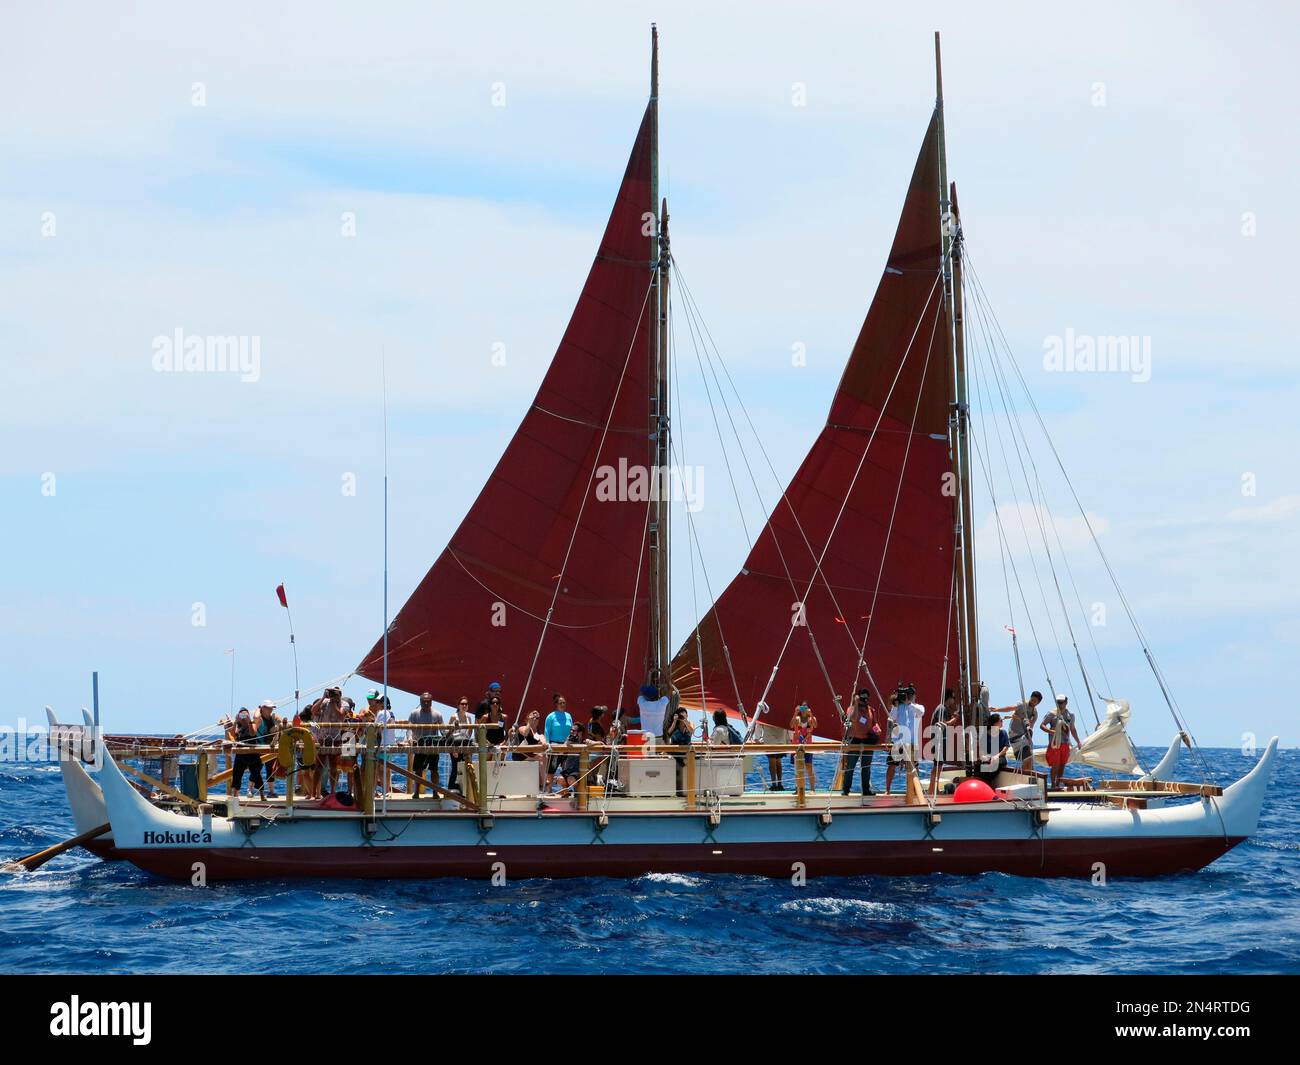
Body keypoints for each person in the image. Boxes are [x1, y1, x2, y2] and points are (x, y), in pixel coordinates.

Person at [885, 683, 925, 796]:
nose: (908, 696)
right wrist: (897, 704)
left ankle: (915, 791)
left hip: (911, 742)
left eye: (911, 695)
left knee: (914, 768)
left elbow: (921, 712)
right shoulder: (898, 707)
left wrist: (909, 703)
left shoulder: (918, 707)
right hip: (898, 741)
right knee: (892, 765)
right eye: (907, 695)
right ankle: (887, 790)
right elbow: (891, 717)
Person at [839, 688, 880, 797]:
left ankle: (866, 790)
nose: (864, 700)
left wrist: (877, 729)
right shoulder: (852, 709)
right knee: (850, 767)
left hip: (867, 741)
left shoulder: (871, 710)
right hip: (855, 740)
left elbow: (874, 724)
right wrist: (856, 704)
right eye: (862, 697)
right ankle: (846, 789)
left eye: (866, 698)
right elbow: (853, 718)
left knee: (866, 767)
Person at [1041, 694, 1083, 790]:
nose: (1060, 704)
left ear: (1066, 702)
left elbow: (1072, 729)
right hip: (1055, 743)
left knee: (1062, 764)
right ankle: (1052, 784)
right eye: (1058, 702)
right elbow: (1042, 725)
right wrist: (1050, 731)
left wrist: (1078, 741)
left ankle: (1058, 782)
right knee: (1055, 764)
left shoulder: (1070, 715)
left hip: (1065, 743)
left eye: (1061, 702)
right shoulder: (1051, 713)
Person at [408, 692, 444, 798]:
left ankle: (435, 792)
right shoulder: (414, 713)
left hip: (433, 746)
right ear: (420, 702)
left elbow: (443, 731)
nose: (426, 703)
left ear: (432, 702)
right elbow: (409, 729)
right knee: (418, 770)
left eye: (428, 702)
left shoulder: (437, 714)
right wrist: (410, 739)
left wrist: (448, 735)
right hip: (419, 746)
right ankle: (417, 792)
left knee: (434, 770)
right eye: (424, 702)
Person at [225, 708, 266, 799]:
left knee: (256, 773)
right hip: (241, 753)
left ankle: (262, 794)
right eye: (241, 715)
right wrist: (235, 721)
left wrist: (249, 722)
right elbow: (233, 735)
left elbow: (252, 733)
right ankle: (235, 796)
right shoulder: (238, 726)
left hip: (252, 753)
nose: (243, 717)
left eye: (245, 715)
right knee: (237, 774)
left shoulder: (252, 724)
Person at [999, 690, 1043, 772]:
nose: (1032, 702)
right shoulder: (1022, 705)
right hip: (1015, 735)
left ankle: (1025, 776)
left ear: (1038, 703)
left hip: (1023, 738)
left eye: (1035, 701)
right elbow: (1010, 708)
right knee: (1027, 759)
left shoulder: (1035, 713)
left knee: (1029, 760)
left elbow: (1031, 726)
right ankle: (1024, 776)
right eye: (1032, 699)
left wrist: (1029, 731)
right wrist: (996, 710)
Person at [314, 686, 347, 795]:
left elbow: (341, 716)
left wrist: (334, 703)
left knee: (334, 767)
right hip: (322, 738)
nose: (334, 695)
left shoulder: (344, 704)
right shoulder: (324, 702)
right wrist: (323, 697)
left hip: (335, 739)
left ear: (340, 694)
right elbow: (314, 711)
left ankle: (333, 791)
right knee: (318, 766)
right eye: (332, 693)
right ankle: (315, 793)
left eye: (336, 693)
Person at [543, 695, 575, 792]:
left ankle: (565, 791)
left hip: (566, 745)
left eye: (564, 703)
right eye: (560, 703)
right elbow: (547, 731)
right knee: (552, 769)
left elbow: (572, 730)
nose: (562, 705)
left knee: (566, 770)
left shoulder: (568, 716)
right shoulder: (551, 716)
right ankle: (548, 791)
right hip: (555, 746)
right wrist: (548, 744)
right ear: (556, 704)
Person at [754, 702, 787, 791]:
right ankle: (779, 784)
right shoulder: (782, 709)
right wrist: (789, 739)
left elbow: (759, 722)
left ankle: (774, 784)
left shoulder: (764, 709)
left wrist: (757, 738)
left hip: (771, 739)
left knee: (772, 762)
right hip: (780, 738)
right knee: (778, 762)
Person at [445, 696, 474, 791]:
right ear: (458, 705)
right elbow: (447, 734)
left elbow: (470, 732)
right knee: (455, 766)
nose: (464, 705)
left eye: (466, 704)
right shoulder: (454, 716)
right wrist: (453, 728)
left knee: (465, 766)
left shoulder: (469, 717)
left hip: (465, 744)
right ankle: (451, 787)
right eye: (462, 704)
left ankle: (464, 787)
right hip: (454, 743)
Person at [788, 703, 818, 790]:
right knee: (797, 768)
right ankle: (799, 788)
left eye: (806, 707)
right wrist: (795, 713)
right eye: (802, 707)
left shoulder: (811, 719)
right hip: (797, 745)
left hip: (807, 746)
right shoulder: (797, 719)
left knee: (809, 766)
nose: (804, 709)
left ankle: (812, 789)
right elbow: (791, 725)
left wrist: (811, 714)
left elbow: (815, 725)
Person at [666, 707, 695, 796]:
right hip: (675, 751)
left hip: (686, 750)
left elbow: (692, 731)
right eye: (681, 715)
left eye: (685, 715)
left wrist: (685, 721)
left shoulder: (690, 723)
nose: (682, 717)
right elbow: (669, 732)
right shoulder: (675, 725)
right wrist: (675, 721)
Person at [977, 712, 1012, 783]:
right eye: (1001, 720)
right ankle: (985, 785)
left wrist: (997, 756)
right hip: (989, 757)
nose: (1002, 722)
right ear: (995, 723)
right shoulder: (985, 735)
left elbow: (1005, 748)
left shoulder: (1003, 733)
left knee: (995, 763)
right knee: (982, 766)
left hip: (1000, 757)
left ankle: (988, 784)